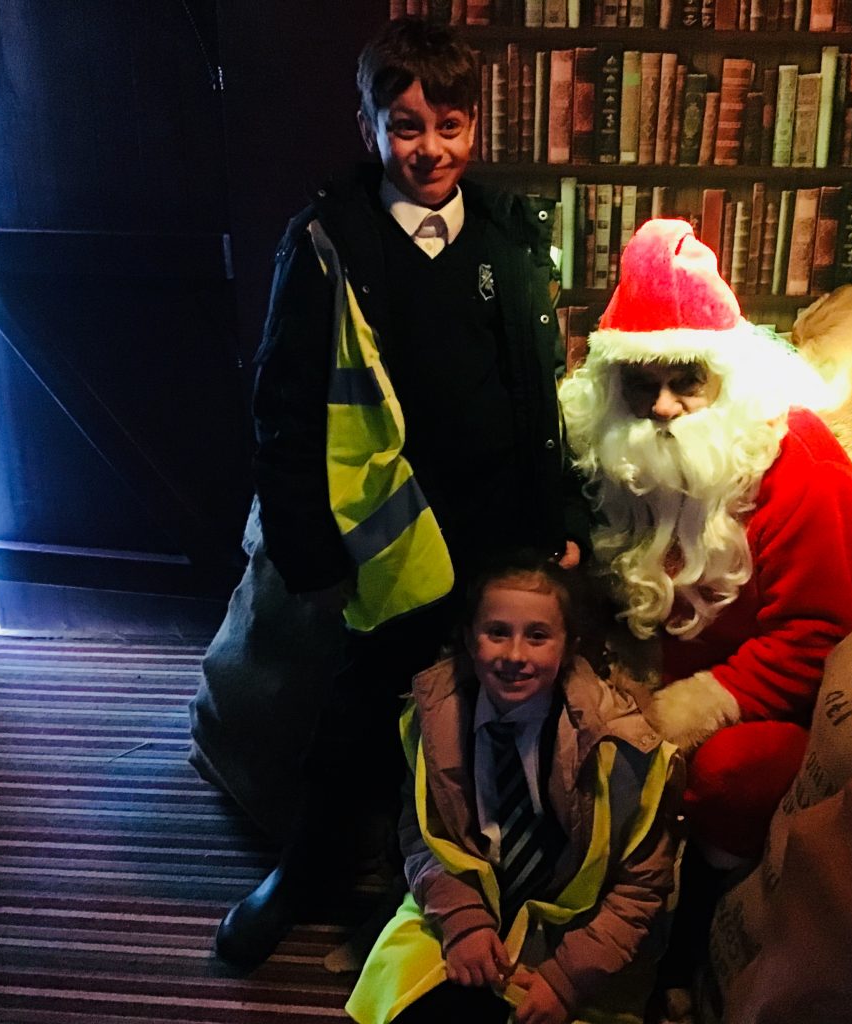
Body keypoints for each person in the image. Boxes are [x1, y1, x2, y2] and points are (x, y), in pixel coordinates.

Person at [200, 17, 588, 969]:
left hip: (497, 525)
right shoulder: (327, 240)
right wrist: (307, 548)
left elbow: (537, 393)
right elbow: (284, 410)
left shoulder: (506, 236)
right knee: (362, 711)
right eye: (406, 126)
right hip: (389, 532)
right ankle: (306, 872)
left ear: (474, 126)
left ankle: (472, 887)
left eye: (449, 126)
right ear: (369, 127)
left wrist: (558, 518)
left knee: (496, 708)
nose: (430, 149)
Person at [557, 219, 852, 1004]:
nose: (663, 407)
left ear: (726, 376)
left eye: (685, 381)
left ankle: (694, 939)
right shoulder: (609, 451)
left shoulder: (802, 467)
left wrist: (677, 713)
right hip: (646, 675)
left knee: (731, 774)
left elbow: (816, 638)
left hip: (767, 701)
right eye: (641, 385)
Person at [346, 554, 683, 1024]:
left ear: (569, 647)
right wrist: (462, 922)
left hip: (578, 942)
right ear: (470, 639)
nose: (515, 655)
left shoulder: (623, 748)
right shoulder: (434, 721)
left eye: (538, 636)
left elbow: (642, 886)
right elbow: (422, 835)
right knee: (415, 1009)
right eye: (497, 632)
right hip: (462, 903)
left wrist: (566, 981)